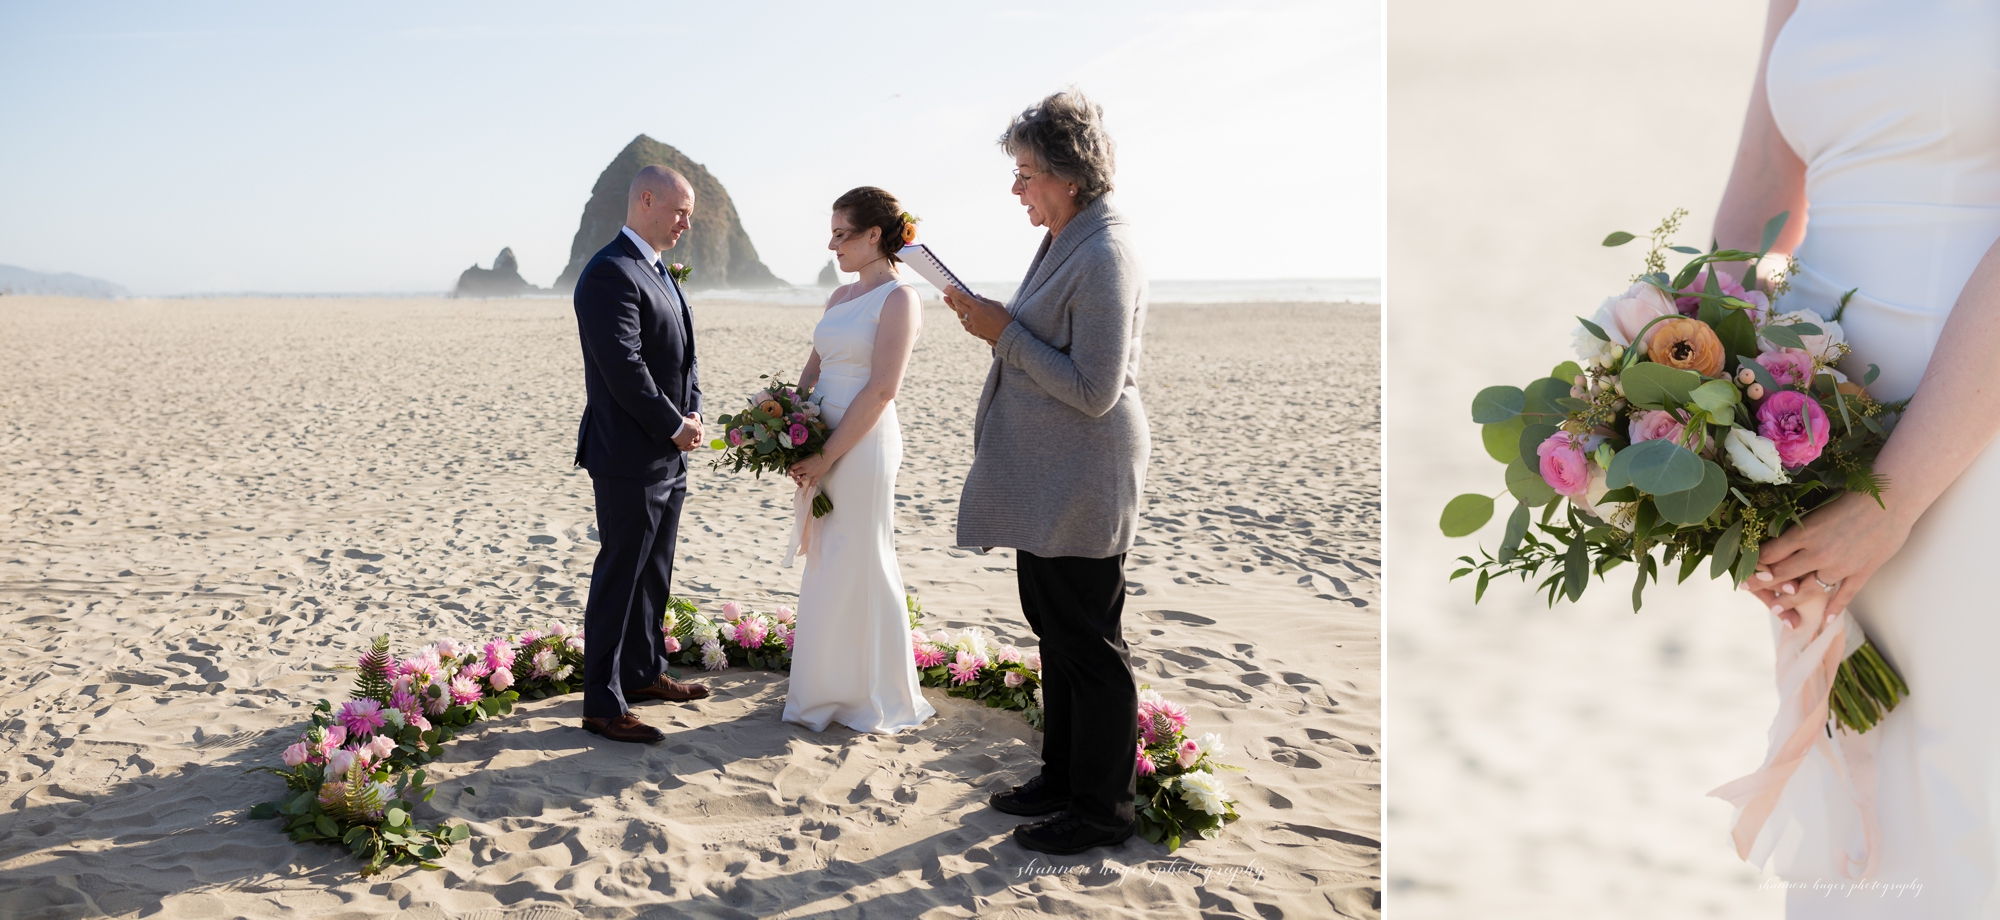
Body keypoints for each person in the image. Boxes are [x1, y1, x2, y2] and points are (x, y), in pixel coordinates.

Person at [1724, 1, 2000, 912]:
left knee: (1972, 774)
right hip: (1816, 421)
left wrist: (1895, 494)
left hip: (1974, 423)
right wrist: (1698, 387)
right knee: (1864, 758)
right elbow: (1768, 180)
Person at [944, 89, 1150, 856]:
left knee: (1090, 644)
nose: (1016, 187)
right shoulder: (1068, 235)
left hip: (1083, 473)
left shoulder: (1103, 251)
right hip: (1052, 475)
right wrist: (1000, 327)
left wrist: (1003, 335)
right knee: (1056, 632)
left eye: (1026, 172)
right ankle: (1062, 778)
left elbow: (1096, 388)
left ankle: (1102, 811)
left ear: (1067, 172)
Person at [781, 187, 935, 734]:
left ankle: (873, 693)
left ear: (875, 235)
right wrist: (782, 425)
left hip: (863, 443)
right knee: (825, 554)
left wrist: (825, 454)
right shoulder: (839, 298)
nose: (832, 244)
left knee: (862, 553)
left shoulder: (899, 299)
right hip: (818, 435)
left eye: (842, 234)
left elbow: (882, 389)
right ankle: (823, 688)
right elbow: (810, 373)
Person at [570, 165, 713, 744]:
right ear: (645, 200)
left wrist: (693, 412)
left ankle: (646, 670)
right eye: (679, 211)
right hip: (628, 452)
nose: (686, 223)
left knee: (655, 570)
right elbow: (623, 366)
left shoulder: (657, 270)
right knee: (620, 574)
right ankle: (602, 705)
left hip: (668, 450)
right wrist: (671, 424)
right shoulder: (609, 272)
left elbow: (684, 356)